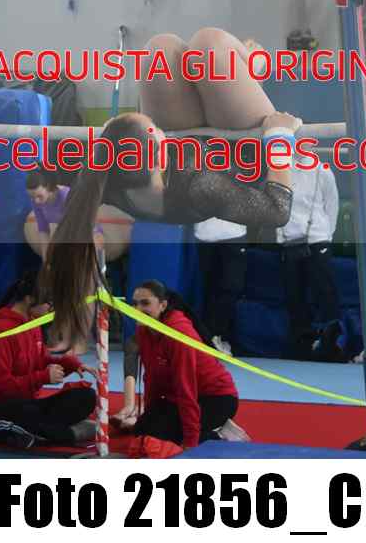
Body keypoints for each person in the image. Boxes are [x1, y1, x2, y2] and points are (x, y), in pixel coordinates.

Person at [41, 27, 300, 346]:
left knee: (159, 50)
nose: (157, 127)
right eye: (155, 129)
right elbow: (277, 212)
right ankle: (251, 68)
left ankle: (239, 70)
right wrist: (279, 138)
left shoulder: (104, 174)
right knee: (209, 45)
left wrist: (112, 136)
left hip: (187, 147)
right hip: (236, 158)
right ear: (161, 153)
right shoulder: (201, 186)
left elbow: (53, 177)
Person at [196, 155, 342, 360]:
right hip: (288, 244)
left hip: (317, 241)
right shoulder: (276, 171)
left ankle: (332, 344)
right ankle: (302, 346)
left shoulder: (321, 171)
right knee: (294, 298)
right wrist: (281, 237)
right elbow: (271, 203)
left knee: (325, 294)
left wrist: (325, 237)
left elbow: (332, 205)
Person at [110, 280, 248, 457]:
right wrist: (150, 414)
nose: (137, 309)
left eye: (145, 303)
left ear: (162, 305)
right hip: (177, 396)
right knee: (143, 432)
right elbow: (151, 378)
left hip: (216, 397)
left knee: (167, 438)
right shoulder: (144, 332)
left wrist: (190, 443)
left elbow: (186, 387)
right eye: (134, 304)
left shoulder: (179, 333)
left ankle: (221, 436)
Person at [0, 271, 97, 449]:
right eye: (49, 302)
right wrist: (43, 377)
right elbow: (1, 387)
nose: (51, 308)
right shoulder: (1, 330)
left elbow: (40, 360)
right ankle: (67, 434)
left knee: (86, 396)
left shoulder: (33, 323)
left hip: (26, 404)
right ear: (29, 299)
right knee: (26, 412)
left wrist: (70, 363)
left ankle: (48, 431)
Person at [26, 168, 105, 262]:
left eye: (39, 196)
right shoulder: (36, 202)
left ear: (48, 187)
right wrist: (46, 261)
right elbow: (43, 231)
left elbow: (80, 227)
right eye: (32, 197)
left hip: (88, 230)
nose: (36, 201)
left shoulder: (65, 196)